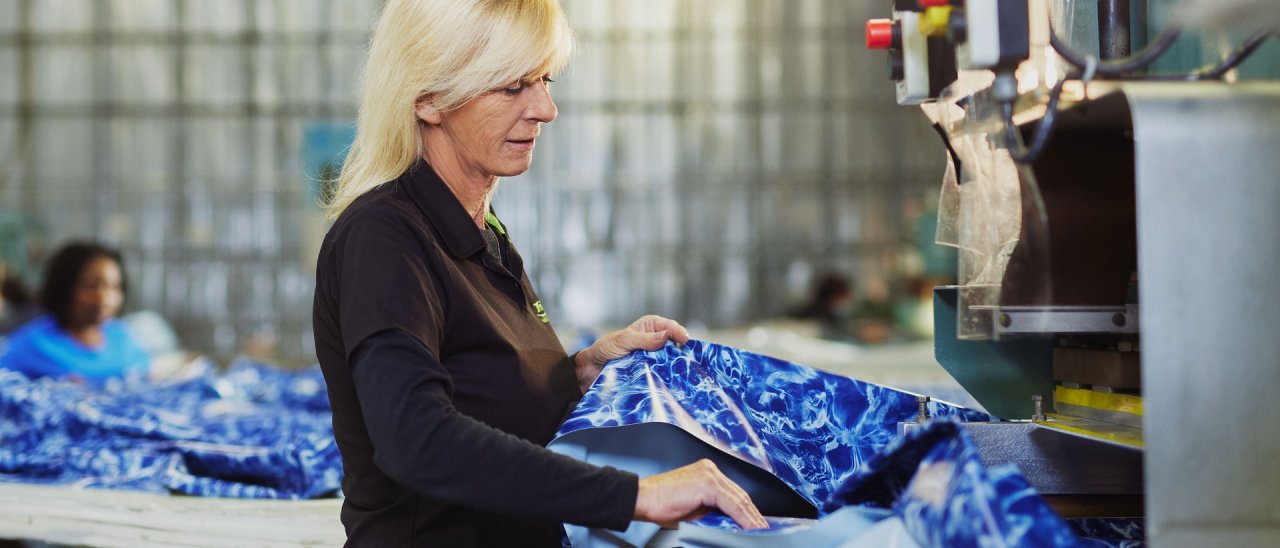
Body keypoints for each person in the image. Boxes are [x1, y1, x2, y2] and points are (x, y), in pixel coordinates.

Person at [311, 0, 767, 545]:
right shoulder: (384, 238)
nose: (546, 109)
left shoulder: (482, 232)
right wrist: (637, 496)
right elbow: (415, 437)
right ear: (429, 99)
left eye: (544, 80)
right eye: (513, 87)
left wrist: (578, 374)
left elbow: (478, 385)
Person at [0, 242, 149, 386]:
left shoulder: (124, 339)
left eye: (115, 287)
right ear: (64, 287)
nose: (105, 298)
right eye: (92, 286)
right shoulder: (32, 345)